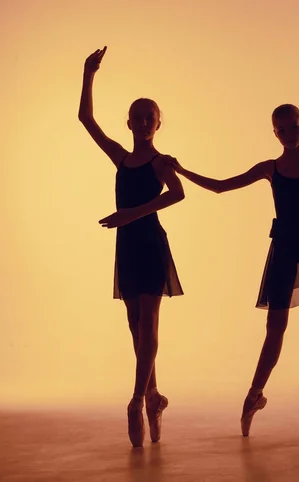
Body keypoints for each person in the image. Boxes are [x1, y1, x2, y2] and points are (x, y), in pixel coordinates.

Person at [167, 104, 299, 438]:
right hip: (283, 247)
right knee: (275, 327)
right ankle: (253, 397)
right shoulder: (270, 169)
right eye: (282, 129)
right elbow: (221, 186)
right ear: (274, 133)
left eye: (293, 127)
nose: (289, 134)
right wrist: (180, 170)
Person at [78, 47, 185, 447]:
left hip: (150, 244)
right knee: (134, 323)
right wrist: (89, 73)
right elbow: (86, 119)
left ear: (158, 124)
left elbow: (178, 194)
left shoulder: (161, 162)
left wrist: (131, 214)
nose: (143, 123)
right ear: (129, 122)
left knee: (150, 323)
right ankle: (155, 396)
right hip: (127, 246)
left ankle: (137, 399)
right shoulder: (122, 158)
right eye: (137, 117)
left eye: (149, 118)